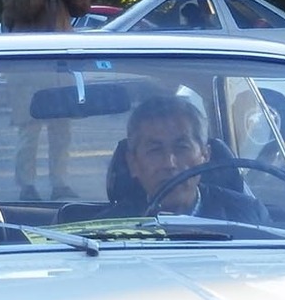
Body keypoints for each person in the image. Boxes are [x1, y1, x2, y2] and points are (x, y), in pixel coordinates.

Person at [1, 0, 90, 200]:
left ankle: (59, 183)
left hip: (59, 71)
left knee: (61, 132)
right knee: (29, 132)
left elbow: (83, 6)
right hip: (27, 72)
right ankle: (27, 185)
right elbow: (21, 11)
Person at [101, 94, 270, 223]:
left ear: (205, 155)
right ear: (133, 163)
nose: (170, 163)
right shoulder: (105, 230)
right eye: (155, 150)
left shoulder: (248, 217)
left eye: (182, 148)